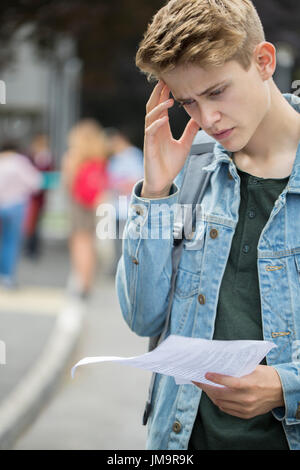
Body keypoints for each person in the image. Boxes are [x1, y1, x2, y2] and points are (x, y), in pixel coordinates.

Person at [116, 0, 300, 450]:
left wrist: (287, 386)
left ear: (263, 62)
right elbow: (144, 319)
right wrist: (156, 192)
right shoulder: (189, 172)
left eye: (216, 92)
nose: (206, 119)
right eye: (187, 102)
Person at [62, 119, 109, 299]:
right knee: (89, 244)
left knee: (79, 243)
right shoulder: (99, 157)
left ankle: (82, 283)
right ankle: (88, 281)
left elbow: (68, 184)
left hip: (78, 205)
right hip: (95, 204)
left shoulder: (73, 157)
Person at [0, 143, 42, 288]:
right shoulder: (19, 162)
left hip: (1, 203)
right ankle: (7, 277)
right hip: (16, 204)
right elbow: (36, 182)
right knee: (11, 241)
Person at [106, 128, 144, 275]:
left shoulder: (133, 156)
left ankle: (129, 270)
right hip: (117, 207)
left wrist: (119, 185)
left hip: (130, 208)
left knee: (129, 242)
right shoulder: (115, 158)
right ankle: (119, 269)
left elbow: (138, 181)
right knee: (117, 241)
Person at [23, 134, 53, 259]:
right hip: (31, 195)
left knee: (36, 223)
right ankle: (29, 247)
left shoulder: (46, 157)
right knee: (30, 222)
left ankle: (33, 247)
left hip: (39, 196)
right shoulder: (31, 156)